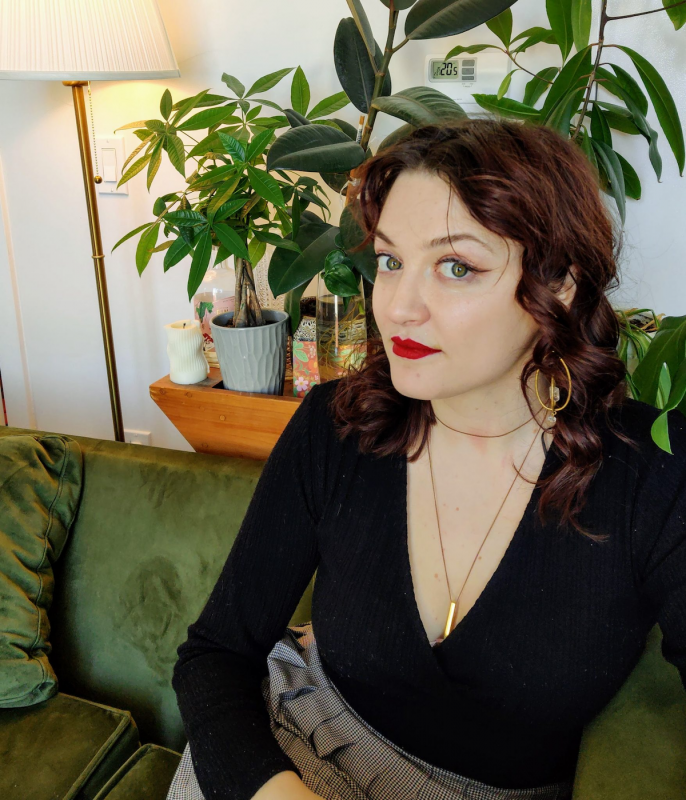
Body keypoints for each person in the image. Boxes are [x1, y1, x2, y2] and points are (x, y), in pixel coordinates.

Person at [167, 118, 686, 800]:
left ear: (560, 281)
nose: (399, 306)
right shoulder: (337, 427)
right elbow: (215, 657)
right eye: (389, 261)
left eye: (456, 266)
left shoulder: (653, 480)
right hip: (280, 757)